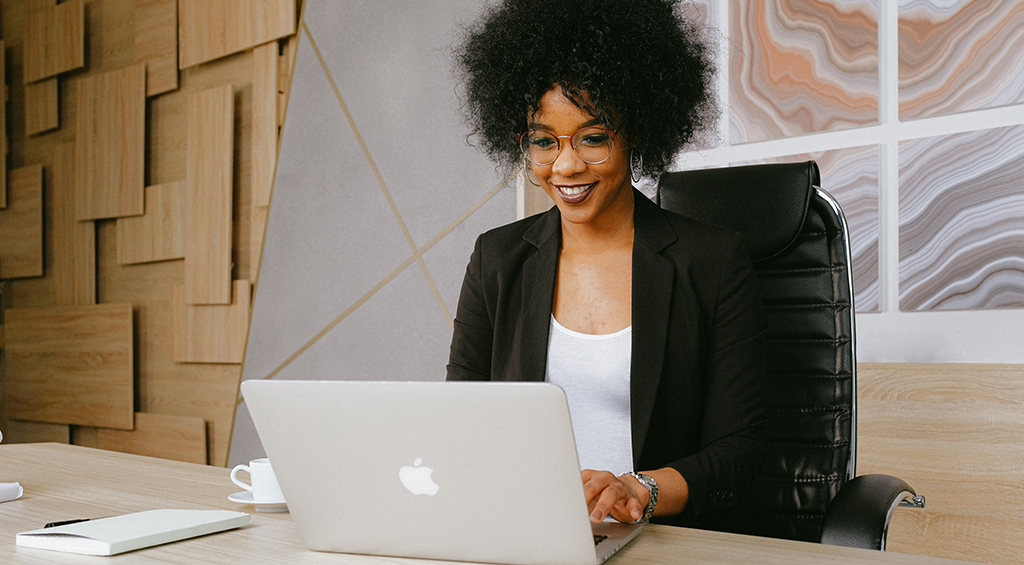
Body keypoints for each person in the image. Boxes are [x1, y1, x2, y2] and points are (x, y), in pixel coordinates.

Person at [447, 0, 766, 529]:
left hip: (663, 539)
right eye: (544, 142)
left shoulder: (712, 261)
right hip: (528, 533)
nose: (567, 165)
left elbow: (743, 449)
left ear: (636, 129)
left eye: (593, 138)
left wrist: (641, 488)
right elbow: (463, 419)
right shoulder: (497, 259)